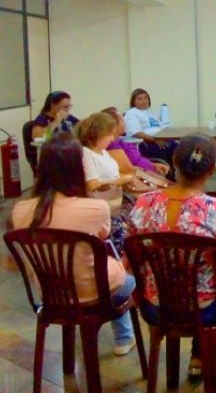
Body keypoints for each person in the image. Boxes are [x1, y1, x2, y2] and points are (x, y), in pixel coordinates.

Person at [125, 134, 216, 376]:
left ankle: (199, 355)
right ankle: (215, 357)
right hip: (205, 310)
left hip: (156, 307)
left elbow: (132, 262)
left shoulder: (144, 203)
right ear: (212, 169)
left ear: (174, 160)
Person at [12, 133, 137, 356]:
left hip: (50, 293)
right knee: (126, 278)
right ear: (78, 168)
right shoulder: (95, 208)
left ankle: (112, 339)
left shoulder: (19, 210)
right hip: (93, 291)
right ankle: (124, 338)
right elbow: (103, 235)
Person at [77, 113, 134, 255]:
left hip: (115, 203)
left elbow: (112, 175)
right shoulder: (87, 153)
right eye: (109, 134)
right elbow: (93, 186)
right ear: (98, 134)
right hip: (104, 206)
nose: (112, 138)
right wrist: (120, 180)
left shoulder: (103, 152)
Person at [102, 107, 171, 176]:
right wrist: (152, 175)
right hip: (142, 179)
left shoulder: (119, 141)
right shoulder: (111, 144)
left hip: (148, 175)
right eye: (122, 121)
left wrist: (153, 165)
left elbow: (137, 161)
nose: (125, 123)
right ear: (114, 125)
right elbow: (127, 169)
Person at [124, 89, 178, 164]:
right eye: (140, 99)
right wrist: (154, 140)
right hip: (146, 144)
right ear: (134, 101)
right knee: (176, 148)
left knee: (180, 146)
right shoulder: (132, 113)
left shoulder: (150, 112)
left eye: (145, 98)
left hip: (159, 141)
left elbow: (160, 126)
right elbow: (136, 132)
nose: (143, 101)